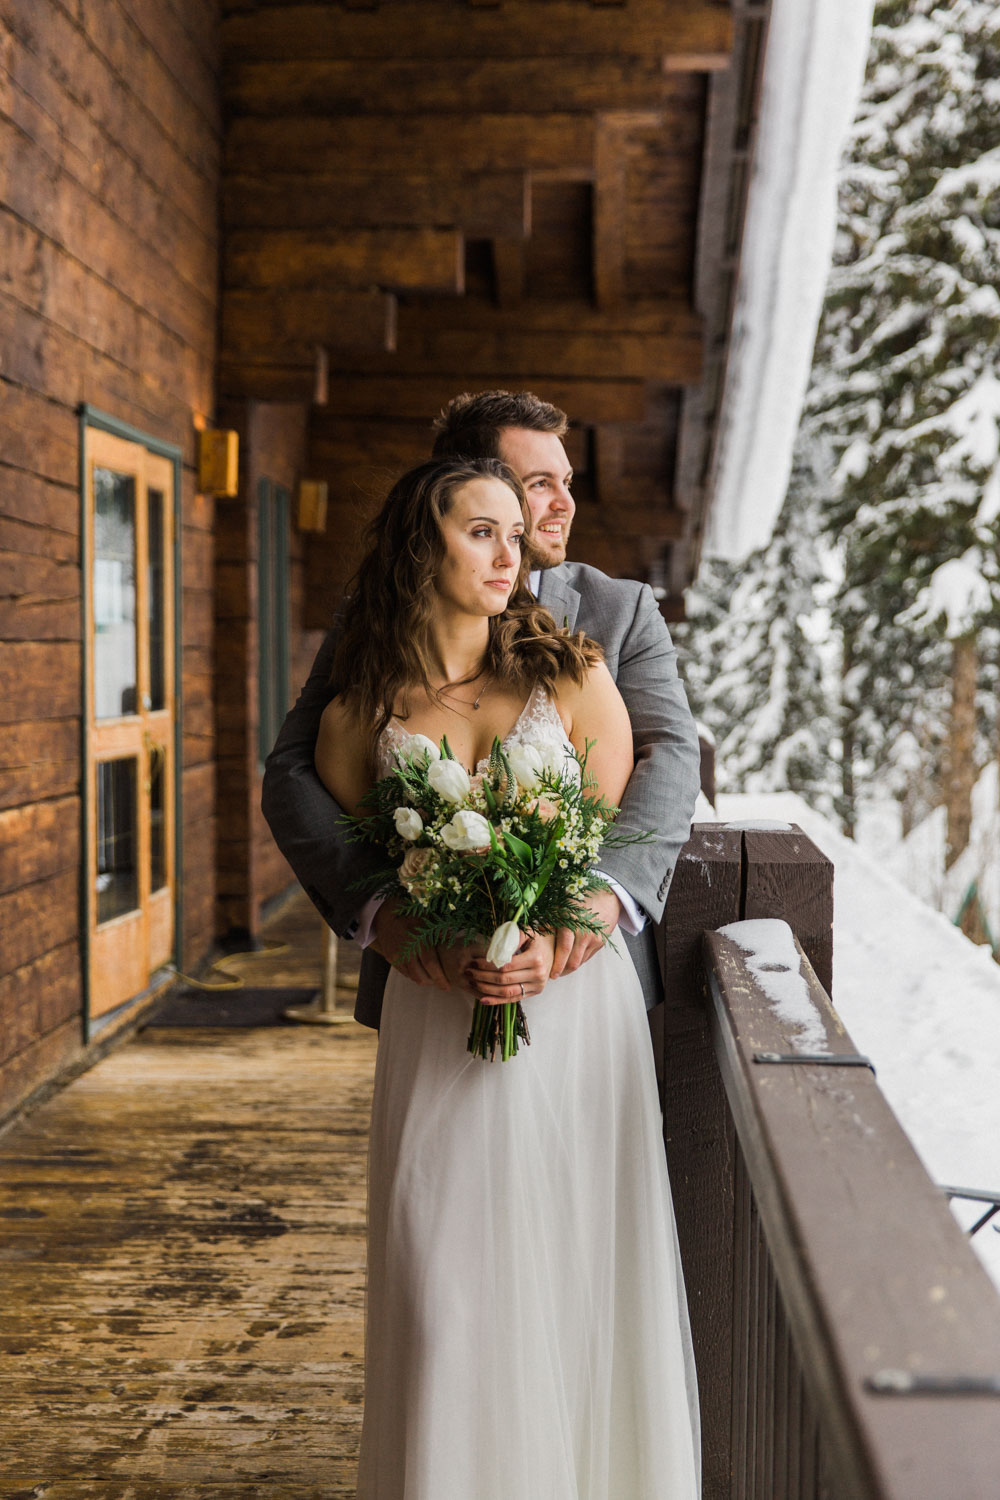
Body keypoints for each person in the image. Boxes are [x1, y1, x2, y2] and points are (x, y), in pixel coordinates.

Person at [314, 455, 700, 1497]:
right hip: (440, 1012)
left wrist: (561, 927)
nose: (509, 548)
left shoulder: (571, 675)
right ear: (419, 544)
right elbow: (359, 853)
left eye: (511, 532)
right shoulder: (360, 711)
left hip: (571, 1008)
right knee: (441, 1275)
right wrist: (417, 934)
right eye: (478, 529)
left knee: (575, 1259)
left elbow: (611, 830)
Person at [262, 390, 701, 1026]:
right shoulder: (376, 617)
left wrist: (601, 897)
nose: (564, 504)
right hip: (433, 968)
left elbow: (673, 755)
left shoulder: (620, 611)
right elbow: (295, 768)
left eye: (567, 482)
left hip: (577, 964)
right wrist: (383, 908)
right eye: (539, 483)